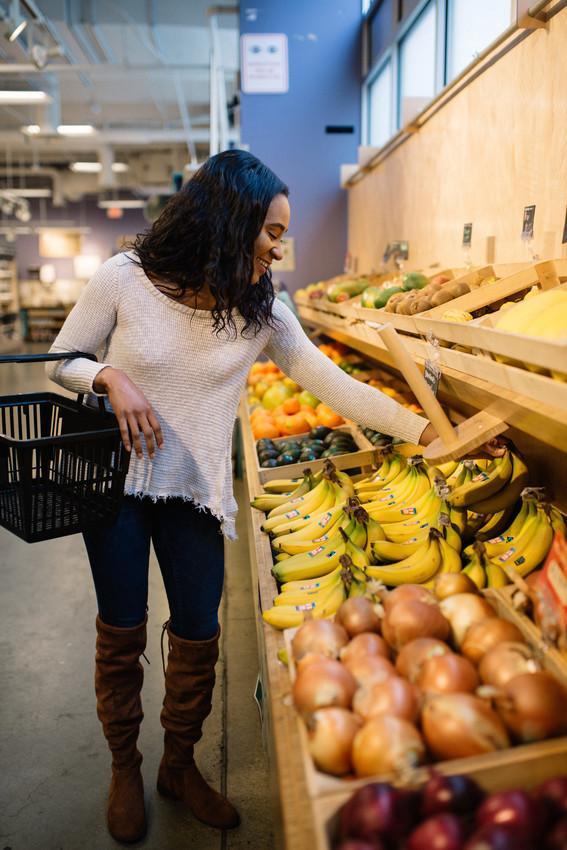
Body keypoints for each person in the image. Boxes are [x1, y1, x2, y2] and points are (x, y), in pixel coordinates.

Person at [47, 149, 440, 844]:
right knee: (122, 631)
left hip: (193, 490)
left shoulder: (261, 308)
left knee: (198, 633)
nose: (279, 246)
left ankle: (179, 764)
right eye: (272, 231)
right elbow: (60, 363)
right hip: (115, 484)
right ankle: (121, 768)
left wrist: (426, 432)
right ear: (229, 222)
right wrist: (109, 376)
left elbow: (330, 385)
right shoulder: (124, 280)